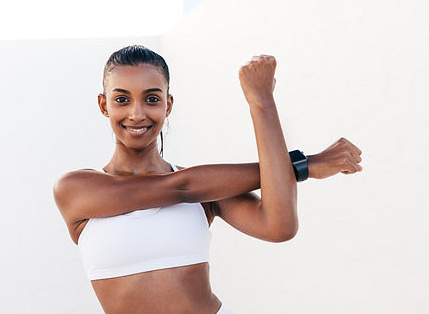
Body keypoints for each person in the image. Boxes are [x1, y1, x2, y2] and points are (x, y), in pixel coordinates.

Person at [53, 45, 362, 313]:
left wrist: (262, 101)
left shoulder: (209, 189)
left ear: (168, 105)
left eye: (151, 99)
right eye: (122, 100)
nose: (136, 113)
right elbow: (181, 187)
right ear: (103, 105)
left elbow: (279, 227)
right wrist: (303, 164)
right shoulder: (75, 189)